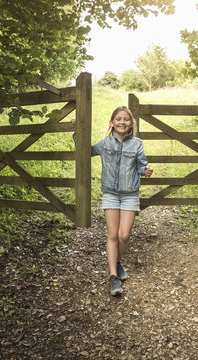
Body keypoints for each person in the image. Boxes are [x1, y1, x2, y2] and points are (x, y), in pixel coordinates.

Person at [71, 106, 153, 296]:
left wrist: (146, 170)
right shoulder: (105, 143)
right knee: (112, 235)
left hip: (130, 194)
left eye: (126, 119)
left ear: (131, 123)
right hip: (110, 193)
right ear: (112, 123)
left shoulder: (137, 144)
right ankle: (113, 276)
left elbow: (141, 166)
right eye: (118, 119)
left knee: (124, 235)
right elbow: (86, 150)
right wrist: (78, 132)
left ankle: (116, 261)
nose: (122, 122)